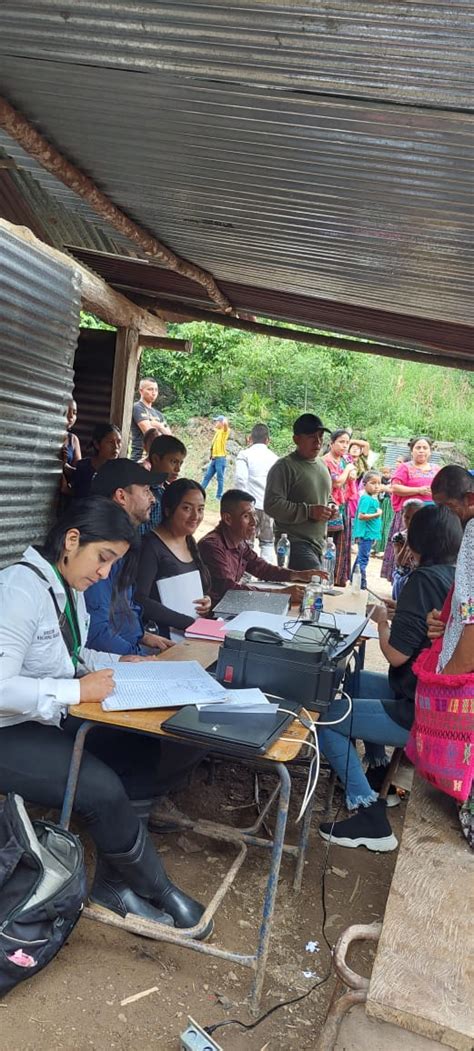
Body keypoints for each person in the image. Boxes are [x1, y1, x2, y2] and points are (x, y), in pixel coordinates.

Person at [0, 497, 209, 931]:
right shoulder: (18, 591)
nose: (104, 573)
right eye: (103, 558)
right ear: (72, 540)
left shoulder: (63, 584)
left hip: (42, 716)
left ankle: (114, 886)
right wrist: (77, 688)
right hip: (8, 729)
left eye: (112, 563)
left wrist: (107, 665)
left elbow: (65, 656)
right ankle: (158, 888)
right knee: (101, 787)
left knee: (143, 746)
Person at [317, 504, 462, 851]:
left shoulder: (421, 578)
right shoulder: (451, 574)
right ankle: (379, 767)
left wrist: (381, 619)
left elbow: (396, 655)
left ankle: (368, 812)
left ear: (418, 539)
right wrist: (399, 612)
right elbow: (424, 632)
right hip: (425, 694)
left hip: (419, 708)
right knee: (353, 682)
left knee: (326, 719)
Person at [85, 459, 174, 656]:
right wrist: (138, 656)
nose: (153, 499)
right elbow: (97, 634)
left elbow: (124, 606)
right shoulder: (99, 549)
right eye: (146, 491)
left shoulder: (124, 545)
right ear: (121, 496)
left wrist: (142, 636)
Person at [198, 489, 316, 607]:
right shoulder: (212, 546)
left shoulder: (240, 543)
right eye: (246, 516)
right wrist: (281, 594)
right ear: (228, 519)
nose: (254, 521)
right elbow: (229, 590)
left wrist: (299, 575)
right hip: (213, 615)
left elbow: (262, 568)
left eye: (254, 514)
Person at [135, 479, 212, 639]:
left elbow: (199, 587)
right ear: (169, 510)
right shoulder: (150, 546)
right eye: (186, 508)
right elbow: (139, 599)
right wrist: (188, 623)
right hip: (161, 640)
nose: (195, 516)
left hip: (192, 635)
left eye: (200, 509)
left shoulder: (189, 541)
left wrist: (207, 601)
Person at [263, 413, 332, 570]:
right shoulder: (284, 467)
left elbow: (327, 497)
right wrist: (308, 511)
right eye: (311, 436)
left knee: (315, 587)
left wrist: (331, 506)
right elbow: (272, 504)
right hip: (293, 543)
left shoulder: (322, 465)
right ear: (296, 439)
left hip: (319, 543)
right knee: (314, 582)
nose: (318, 441)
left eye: (321, 436)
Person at [381, 436, 439, 582]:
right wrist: (419, 490)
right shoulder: (405, 467)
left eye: (425, 448)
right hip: (409, 516)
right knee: (404, 546)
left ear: (430, 451)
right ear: (412, 451)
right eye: (418, 448)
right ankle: (398, 580)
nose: (421, 451)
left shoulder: (436, 469)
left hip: (430, 518)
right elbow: (395, 487)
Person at [234, 423, 278, 561]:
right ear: (268, 440)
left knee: (246, 543)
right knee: (268, 543)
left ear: (250, 438)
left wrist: (241, 503)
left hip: (249, 506)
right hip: (269, 507)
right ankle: (267, 576)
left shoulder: (244, 455)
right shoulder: (275, 458)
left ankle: (244, 576)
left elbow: (240, 479)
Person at [322, 429, 357, 587]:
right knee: (328, 542)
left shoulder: (344, 460)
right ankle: (324, 577)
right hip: (329, 506)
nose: (344, 445)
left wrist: (351, 471)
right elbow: (336, 482)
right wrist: (349, 470)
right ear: (331, 443)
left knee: (342, 544)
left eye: (346, 443)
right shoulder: (325, 461)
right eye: (341, 442)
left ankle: (338, 578)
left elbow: (351, 477)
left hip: (343, 506)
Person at [142, 434, 188, 534]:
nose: (178, 469)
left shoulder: (167, 490)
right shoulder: (143, 493)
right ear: (156, 459)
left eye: (180, 463)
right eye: (173, 462)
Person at [351, 471, 383, 590]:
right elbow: (361, 516)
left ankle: (353, 580)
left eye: (379, 483)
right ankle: (361, 584)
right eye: (373, 483)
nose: (376, 486)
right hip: (365, 534)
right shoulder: (366, 499)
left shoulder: (372, 498)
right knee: (363, 560)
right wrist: (377, 514)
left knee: (360, 558)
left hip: (370, 534)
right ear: (364, 484)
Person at [72, 422, 121, 498]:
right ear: (97, 444)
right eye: (110, 442)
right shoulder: (83, 467)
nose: (116, 447)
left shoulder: (122, 471)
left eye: (119, 442)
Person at [130, 378, 171, 461]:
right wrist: (160, 428)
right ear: (141, 391)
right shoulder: (137, 408)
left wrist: (157, 425)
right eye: (150, 389)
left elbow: (170, 438)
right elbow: (150, 435)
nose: (154, 393)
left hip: (156, 461)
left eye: (156, 390)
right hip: (139, 460)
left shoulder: (159, 414)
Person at [391, 498, 423, 600]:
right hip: (401, 576)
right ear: (402, 516)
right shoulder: (399, 537)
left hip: (417, 579)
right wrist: (407, 543)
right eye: (407, 517)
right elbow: (399, 561)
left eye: (414, 518)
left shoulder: (426, 537)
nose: (410, 521)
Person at [201, 415, 230, 500]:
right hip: (214, 459)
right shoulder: (218, 431)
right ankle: (200, 491)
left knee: (219, 478)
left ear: (221, 423)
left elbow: (226, 425)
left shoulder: (225, 432)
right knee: (207, 476)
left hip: (220, 459)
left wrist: (225, 419)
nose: (215, 423)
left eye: (217, 421)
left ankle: (219, 496)